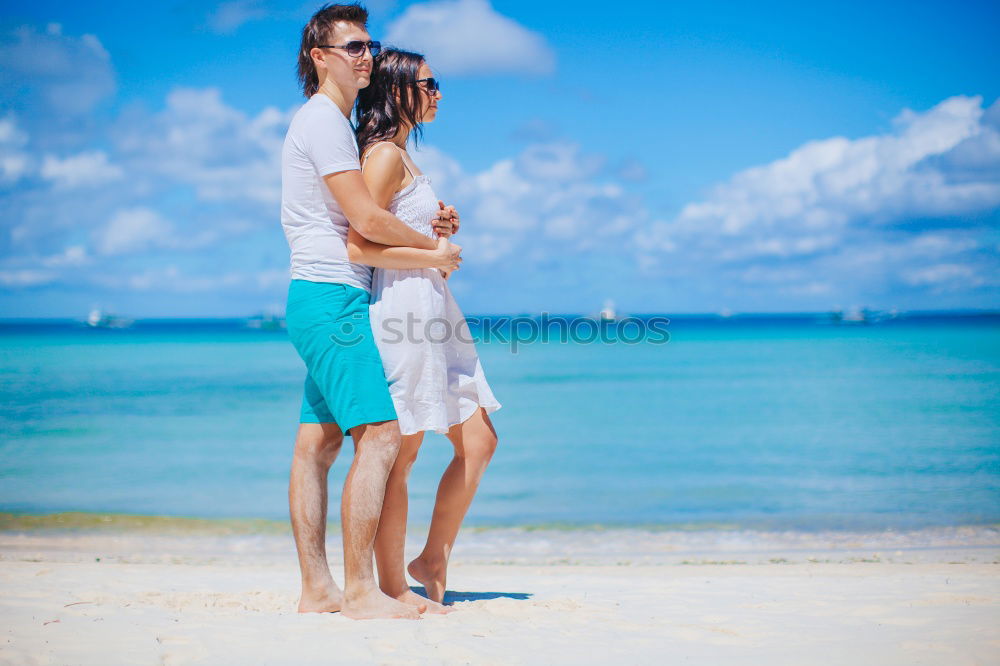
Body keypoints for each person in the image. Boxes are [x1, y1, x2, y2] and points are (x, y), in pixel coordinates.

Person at [280, 3, 461, 620]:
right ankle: (361, 592)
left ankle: (318, 589)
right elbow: (362, 222)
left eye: (368, 45)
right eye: (351, 46)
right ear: (320, 58)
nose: (365, 56)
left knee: (319, 446)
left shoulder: (327, 121)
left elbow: (371, 217)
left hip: (320, 294)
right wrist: (434, 254)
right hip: (333, 295)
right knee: (382, 436)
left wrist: (421, 229)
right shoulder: (325, 120)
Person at [349, 48, 502, 607]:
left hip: (435, 309)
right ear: (396, 90)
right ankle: (392, 585)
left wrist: (440, 226)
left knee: (479, 440)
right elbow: (360, 244)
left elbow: (394, 227)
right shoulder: (384, 155)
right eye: (428, 84)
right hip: (404, 311)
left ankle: (432, 556)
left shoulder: (406, 160)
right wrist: (432, 256)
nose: (438, 93)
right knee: (402, 454)